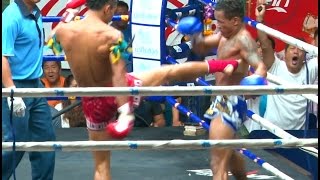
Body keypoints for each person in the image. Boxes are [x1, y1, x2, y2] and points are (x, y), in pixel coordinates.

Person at [49, 1, 241, 179]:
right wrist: (125, 112)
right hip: (117, 93)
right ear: (107, 8)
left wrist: (68, 15)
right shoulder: (111, 36)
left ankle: (223, 64)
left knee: (101, 165)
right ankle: (223, 64)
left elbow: (52, 43)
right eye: (113, 11)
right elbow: (118, 76)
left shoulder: (64, 31)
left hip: (91, 100)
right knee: (168, 72)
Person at [180, 0, 268, 179]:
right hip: (222, 99)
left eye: (221, 21)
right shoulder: (224, 34)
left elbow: (261, 67)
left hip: (230, 101)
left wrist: (253, 82)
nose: (217, 25)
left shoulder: (243, 40)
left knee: (217, 163)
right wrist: (195, 35)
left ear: (235, 20)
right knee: (231, 155)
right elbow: (202, 46)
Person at [2, 0, 56, 179]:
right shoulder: (11, 17)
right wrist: (12, 92)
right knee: (15, 144)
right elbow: (2, 56)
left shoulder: (35, 12)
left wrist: (64, 25)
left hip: (36, 86)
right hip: (15, 86)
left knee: (46, 142)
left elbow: (41, 43)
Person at [255, 1, 318, 130]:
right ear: (285, 53)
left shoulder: (310, 68)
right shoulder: (276, 66)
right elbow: (265, 45)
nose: (296, 51)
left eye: (300, 49)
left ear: (305, 55)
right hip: (271, 134)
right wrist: (259, 20)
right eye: (292, 48)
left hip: (297, 139)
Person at [111, 0, 132, 72]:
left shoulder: (133, 28)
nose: (123, 17)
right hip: (119, 70)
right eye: (119, 14)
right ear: (113, 15)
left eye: (125, 14)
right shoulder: (108, 33)